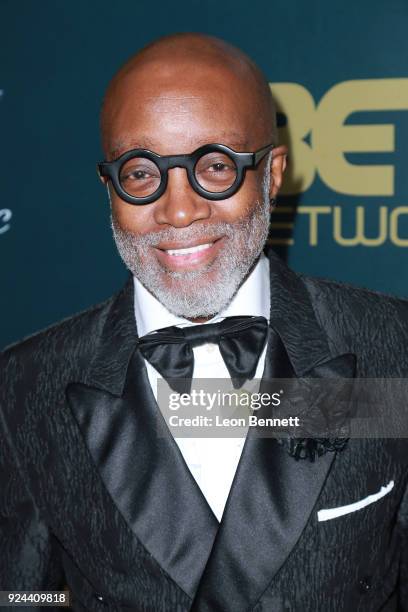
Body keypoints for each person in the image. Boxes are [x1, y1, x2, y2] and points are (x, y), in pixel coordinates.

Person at [0, 33, 407, 612]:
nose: (180, 209)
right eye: (141, 173)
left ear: (272, 173)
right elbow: (21, 594)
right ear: (108, 189)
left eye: (215, 166)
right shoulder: (23, 388)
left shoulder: (393, 349)